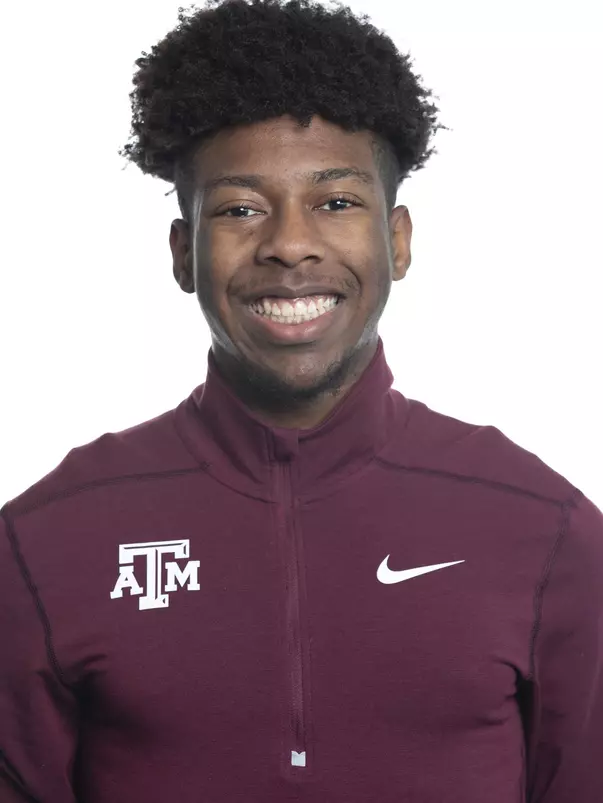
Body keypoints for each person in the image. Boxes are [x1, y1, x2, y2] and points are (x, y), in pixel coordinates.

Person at [1, 0, 601, 800]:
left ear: (397, 241)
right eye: (240, 208)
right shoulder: (49, 537)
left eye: (336, 201)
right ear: (183, 252)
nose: (288, 242)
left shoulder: (542, 528)